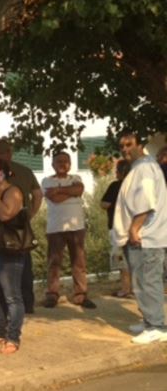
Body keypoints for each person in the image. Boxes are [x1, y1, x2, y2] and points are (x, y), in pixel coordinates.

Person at [113, 132, 167, 344]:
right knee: (142, 281)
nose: (125, 149)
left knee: (147, 282)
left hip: (146, 237)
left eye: (129, 144)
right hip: (146, 236)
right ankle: (149, 320)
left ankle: (157, 326)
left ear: (140, 144)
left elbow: (146, 202)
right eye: (122, 146)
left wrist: (135, 229)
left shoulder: (144, 168)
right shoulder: (141, 167)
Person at [0, 137, 42, 313]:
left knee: (2, 265)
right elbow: (38, 195)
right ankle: (26, 304)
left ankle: (1, 304)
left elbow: (37, 194)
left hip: (1, 222)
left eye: (0, 152)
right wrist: (31, 214)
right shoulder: (25, 171)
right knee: (23, 265)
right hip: (21, 222)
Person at [0, 158, 27, 355]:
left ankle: (13, 337)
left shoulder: (13, 192)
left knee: (12, 296)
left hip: (10, 250)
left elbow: (6, 214)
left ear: (1, 173)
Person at [42, 152, 95, 309]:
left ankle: (80, 295)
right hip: (55, 227)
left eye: (66, 161)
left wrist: (58, 190)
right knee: (54, 262)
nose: (62, 164)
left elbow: (78, 190)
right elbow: (55, 199)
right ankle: (52, 294)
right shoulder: (46, 180)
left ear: (70, 164)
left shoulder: (76, 179)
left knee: (79, 262)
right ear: (52, 164)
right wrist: (68, 191)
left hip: (76, 227)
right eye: (59, 161)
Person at [101, 159, 132, 298]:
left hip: (118, 228)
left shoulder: (115, 186)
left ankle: (125, 289)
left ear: (120, 171)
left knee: (121, 260)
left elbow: (104, 204)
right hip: (136, 227)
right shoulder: (135, 185)